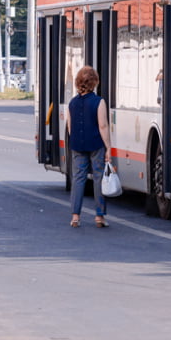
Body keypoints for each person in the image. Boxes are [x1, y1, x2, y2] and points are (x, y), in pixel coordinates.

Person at [65, 65, 113, 228]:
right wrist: (108, 147)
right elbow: (103, 126)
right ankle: (99, 216)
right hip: (96, 144)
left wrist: (77, 141)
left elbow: (70, 127)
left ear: (78, 83)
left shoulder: (72, 103)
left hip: (77, 144)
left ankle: (75, 216)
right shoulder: (99, 102)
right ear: (94, 82)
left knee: (78, 178)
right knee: (99, 178)